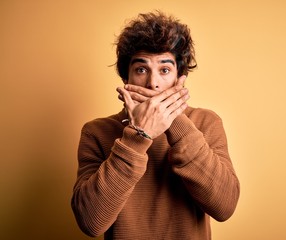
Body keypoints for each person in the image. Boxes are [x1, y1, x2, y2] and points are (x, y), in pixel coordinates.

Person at [71, 11, 240, 240]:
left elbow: (225, 206)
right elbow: (91, 222)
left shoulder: (205, 122)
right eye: (141, 70)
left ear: (180, 77)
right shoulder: (97, 132)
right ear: (126, 79)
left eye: (165, 70)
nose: (153, 82)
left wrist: (174, 120)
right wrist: (138, 136)